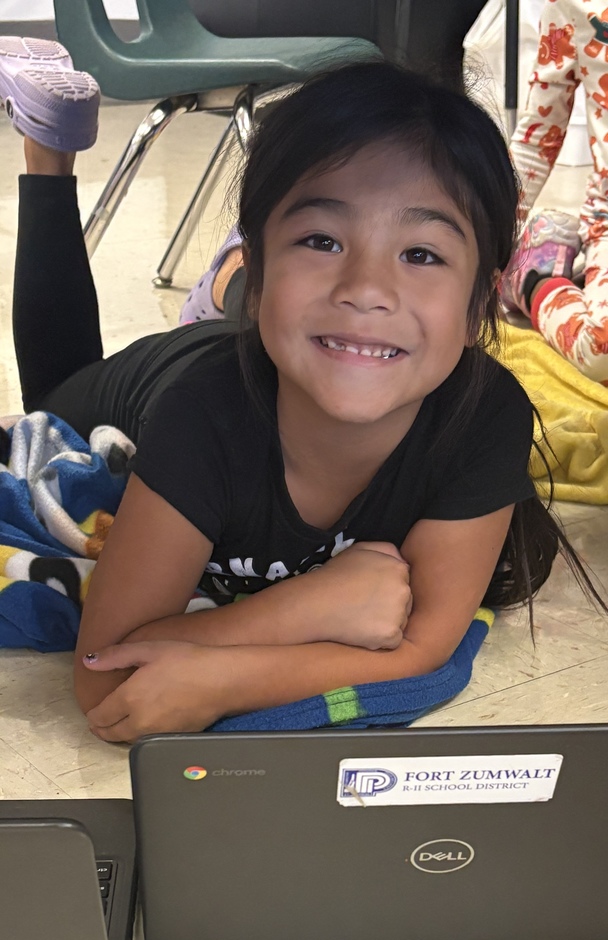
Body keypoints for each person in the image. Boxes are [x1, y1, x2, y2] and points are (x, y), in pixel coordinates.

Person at [2, 38, 599, 743]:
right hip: (143, 387)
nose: (368, 288)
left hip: (282, 346)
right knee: (53, 399)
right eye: (323, 240)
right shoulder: (203, 417)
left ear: (479, 306)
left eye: (421, 253)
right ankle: (49, 156)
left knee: (325, 332)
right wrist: (304, 607)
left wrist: (224, 674)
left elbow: (422, 645)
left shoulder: (483, 410)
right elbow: (105, 676)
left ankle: (243, 280)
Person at [500, 0, 608, 385]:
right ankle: (533, 277)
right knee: (603, 354)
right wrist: (490, 242)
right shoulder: (573, 5)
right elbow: (537, 138)